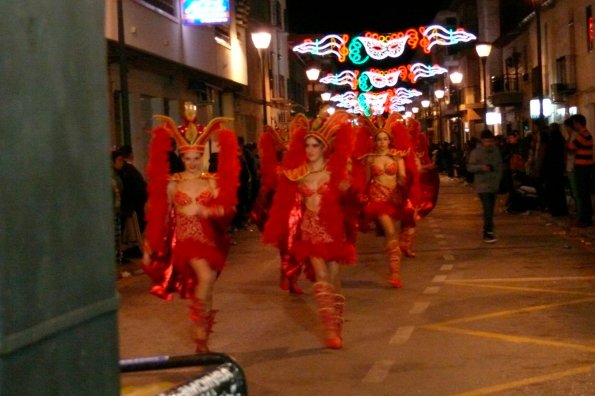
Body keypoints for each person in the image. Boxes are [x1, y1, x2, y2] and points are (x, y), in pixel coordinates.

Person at [142, 103, 240, 353]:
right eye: (188, 158)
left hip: (210, 239)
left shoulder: (213, 181)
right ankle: (198, 333)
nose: (193, 163)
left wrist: (206, 210)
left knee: (208, 290)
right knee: (205, 278)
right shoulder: (173, 183)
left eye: (197, 157)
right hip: (185, 240)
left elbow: (228, 209)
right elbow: (158, 215)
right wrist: (150, 244)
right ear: (181, 157)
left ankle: (203, 342)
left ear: (203, 156)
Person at [263, 110, 355, 349]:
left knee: (335, 280)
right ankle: (330, 330)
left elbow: (349, 198)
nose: (311, 150)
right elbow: (281, 196)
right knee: (321, 278)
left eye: (316, 145)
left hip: (333, 230)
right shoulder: (298, 175)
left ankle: (337, 322)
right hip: (310, 231)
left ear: (324, 147)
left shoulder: (335, 172)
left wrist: (347, 187)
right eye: (307, 145)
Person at [252, 119, 314, 294]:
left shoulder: (304, 169)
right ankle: (286, 272)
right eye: (283, 150)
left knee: (302, 247)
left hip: (304, 211)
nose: (287, 153)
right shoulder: (276, 170)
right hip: (285, 213)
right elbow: (267, 189)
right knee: (287, 246)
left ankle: (293, 277)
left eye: (290, 149)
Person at [352, 113, 408, 288]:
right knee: (391, 232)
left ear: (389, 140)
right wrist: (361, 194)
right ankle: (395, 275)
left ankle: (394, 270)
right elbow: (367, 179)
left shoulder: (397, 157)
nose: (382, 142)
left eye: (385, 139)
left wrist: (403, 184)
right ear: (374, 141)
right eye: (379, 139)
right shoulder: (369, 159)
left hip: (394, 198)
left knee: (394, 235)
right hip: (377, 199)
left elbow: (402, 177)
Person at [467, 129, 503, 243]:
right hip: (482, 185)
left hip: (493, 184)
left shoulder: (496, 151)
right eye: (486, 141)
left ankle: (489, 230)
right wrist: (481, 168)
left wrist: (498, 179)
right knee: (487, 209)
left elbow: (499, 166)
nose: (489, 143)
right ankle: (487, 232)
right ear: (482, 141)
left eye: (490, 141)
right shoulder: (476, 152)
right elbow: (470, 167)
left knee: (491, 210)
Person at [567, 114, 593, 227]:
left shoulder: (582, 134)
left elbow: (571, 147)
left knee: (583, 194)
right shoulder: (586, 134)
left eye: (574, 123)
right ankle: (586, 217)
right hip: (585, 166)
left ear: (578, 123)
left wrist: (569, 138)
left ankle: (585, 218)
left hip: (583, 167)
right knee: (584, 193)